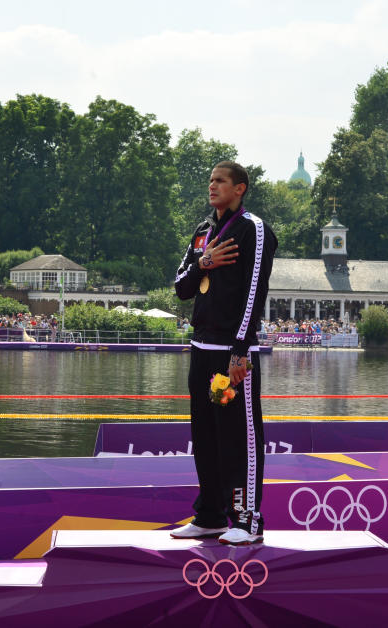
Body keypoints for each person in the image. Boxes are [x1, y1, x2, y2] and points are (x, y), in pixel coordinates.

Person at [172, 161, 277, 545]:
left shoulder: (253, 229)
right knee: (206, 436)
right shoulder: (204, 231)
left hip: (231, 356)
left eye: (221, 181)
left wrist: (240, 348)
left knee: (238, 437)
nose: (212, 186)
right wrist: (204, 262)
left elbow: (255, 292)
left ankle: (248, 521)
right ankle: (211, 515)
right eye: (210, 181)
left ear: (240, 189)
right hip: (200, 350)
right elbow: (181, 288)